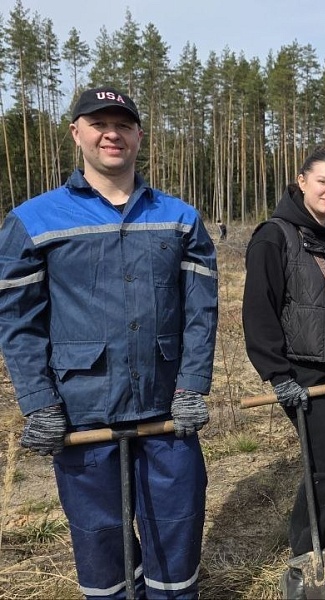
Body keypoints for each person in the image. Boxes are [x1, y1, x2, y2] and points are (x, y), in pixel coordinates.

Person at [0, 87, 218, 599]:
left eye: (122, 124)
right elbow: (17, 320)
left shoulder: (180, 218)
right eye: (98, 123)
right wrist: (39, 404)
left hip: (167, 414)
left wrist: (192, 385)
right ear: (77, 133)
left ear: (140, 136)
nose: (111, 133)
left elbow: (202, 312)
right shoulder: (34, 221)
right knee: (103, 556)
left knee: (177, 544)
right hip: (82, 416)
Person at [242, 148, 325, 599]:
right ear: (301, 181)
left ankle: (322, 549)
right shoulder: (273, 237)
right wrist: (278, 376)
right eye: (323, 183)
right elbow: (258, 312)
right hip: (304, 373)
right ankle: (307, 562)